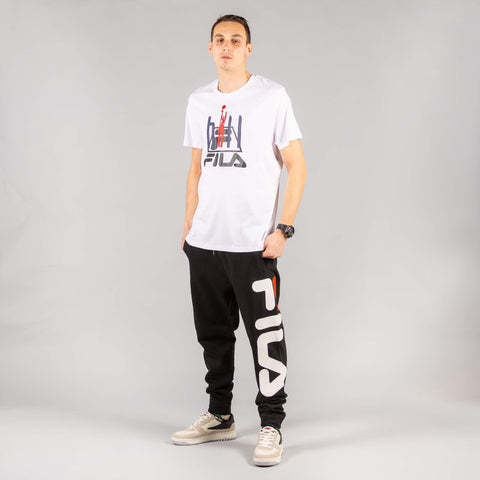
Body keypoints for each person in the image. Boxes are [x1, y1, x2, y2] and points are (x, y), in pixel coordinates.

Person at [171, 14, 307, 467]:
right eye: (219, 40)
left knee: (265, 334)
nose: (227, 46)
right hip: (205, 242)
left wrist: (284, 229)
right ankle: (220, 415)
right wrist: (188, 229)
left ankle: (271, 424)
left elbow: (297, 166)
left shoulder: (272, 96)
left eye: (235, 40)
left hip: (253, 245)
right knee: (213, 334)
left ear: (249, 48)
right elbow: (196, 168)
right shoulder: (199, 101)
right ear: (210, 48)